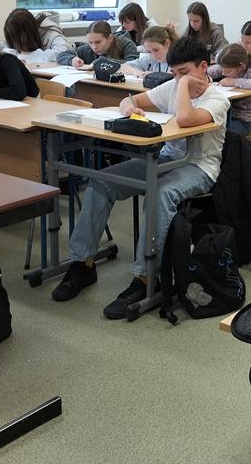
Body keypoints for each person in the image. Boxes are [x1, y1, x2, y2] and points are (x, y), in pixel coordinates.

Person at [50, 37, 230, 319]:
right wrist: (129, 108)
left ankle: (146, 277)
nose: (177, 78)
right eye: (174, 73)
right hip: (167, 159)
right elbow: (129, 99)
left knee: (160, 193)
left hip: (199, 168)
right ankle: (82, 264)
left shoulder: (218, 99)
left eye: (183, 72)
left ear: (203, 67)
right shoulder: (173, 85)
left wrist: (183, 85)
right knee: (101, 181)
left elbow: (185, 119)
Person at [208, 43, 251, 135]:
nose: (223, 73)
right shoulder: (226, 66)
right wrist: (206, 78)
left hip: (242, 122)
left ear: (241, 67)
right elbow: (206, 72)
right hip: (224, 118)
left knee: (218, 131)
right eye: (222, 70)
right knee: (210, 128)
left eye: (228, 71)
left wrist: (234, 82)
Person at [57, 20, 138, 68]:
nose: (94, 47)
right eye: (90, 42)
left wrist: (102, 62)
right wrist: (72, 60)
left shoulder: (127, 44)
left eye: (98, 42)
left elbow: (134, 64)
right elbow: (61, 55)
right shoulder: (88, 48)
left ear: (110, 38)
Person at [2, 8, 69, 54]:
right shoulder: (14, 32)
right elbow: (2, 47)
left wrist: (29, 55)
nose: (17, 44)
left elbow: (63, 52)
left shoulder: (50, 32)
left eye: (18, 38)